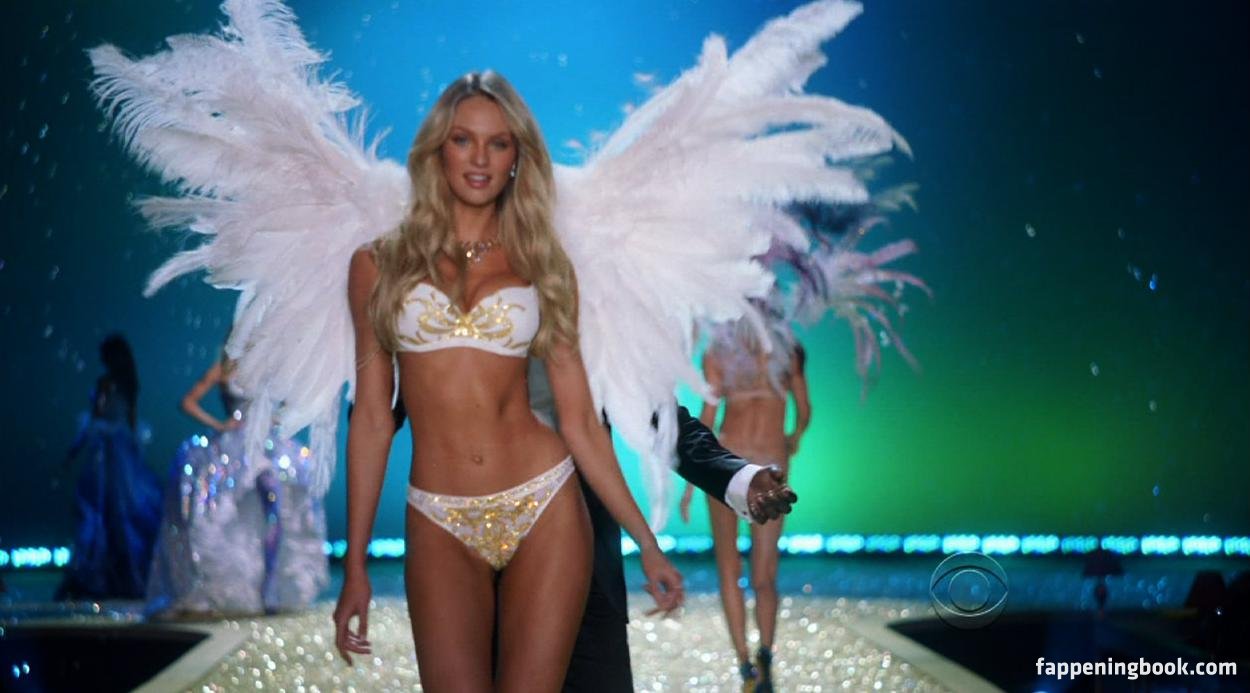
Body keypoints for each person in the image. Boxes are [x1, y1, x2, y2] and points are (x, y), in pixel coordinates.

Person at [333, 72, 686, 691]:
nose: (480, 158)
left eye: (498, 144)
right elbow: (370, 420)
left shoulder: (542, 264)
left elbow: (580, 422)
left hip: (543, 501)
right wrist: (354, 565)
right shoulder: (378, 264)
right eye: (463, 140)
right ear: (437, 149)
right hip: (438, 514)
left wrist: (647, 543)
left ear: (518, 157)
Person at [526, 359, 797, 691]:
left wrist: (735, 475)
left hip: (585, 542)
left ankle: (753, 660)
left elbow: (633, 418)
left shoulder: (588, 330)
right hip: (475, 539)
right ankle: (750, 660)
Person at [145, 351, 328, 617]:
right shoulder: (222, 369)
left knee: (277, 504)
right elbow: (187, 402)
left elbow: (292, 402)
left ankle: (271, 582)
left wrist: (272, 418)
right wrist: (219, 424)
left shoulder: (267, 365)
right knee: (222, 515)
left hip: (266, 445)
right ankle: (236, 584)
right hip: (234, 448)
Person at [680, 322, 811, 692]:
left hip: (728, 465)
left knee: (729, 568)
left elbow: (707, 419)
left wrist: (690, 483)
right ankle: (764, 657)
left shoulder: (719, 353)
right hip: (769, 464)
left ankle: (745, 667)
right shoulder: (788, 350)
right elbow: (804, 409)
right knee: (764, 574)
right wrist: (793, 438)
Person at [55, 334, 161, 600]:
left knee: (102, 511)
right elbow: (132, 420)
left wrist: (72, 452)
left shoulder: (106, 383)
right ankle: (127, 574)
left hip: (108, 453)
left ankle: (101, 575)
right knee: (122, 512)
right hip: (123, 449)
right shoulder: (130, 382)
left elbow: (96, 416)